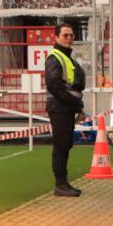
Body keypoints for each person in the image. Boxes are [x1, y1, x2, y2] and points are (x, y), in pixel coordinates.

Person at [44, 21, 86, 197]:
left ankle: (63, 183)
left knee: (65, 144)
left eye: (71, 35)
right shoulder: (55, 57)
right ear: (56, 37)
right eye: (65, 35)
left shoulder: (66, 57)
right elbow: (54, 84)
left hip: (65, 107)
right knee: (61, 145)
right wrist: (74, 103)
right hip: (60, 107)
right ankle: (60, 185)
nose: (69, 38)